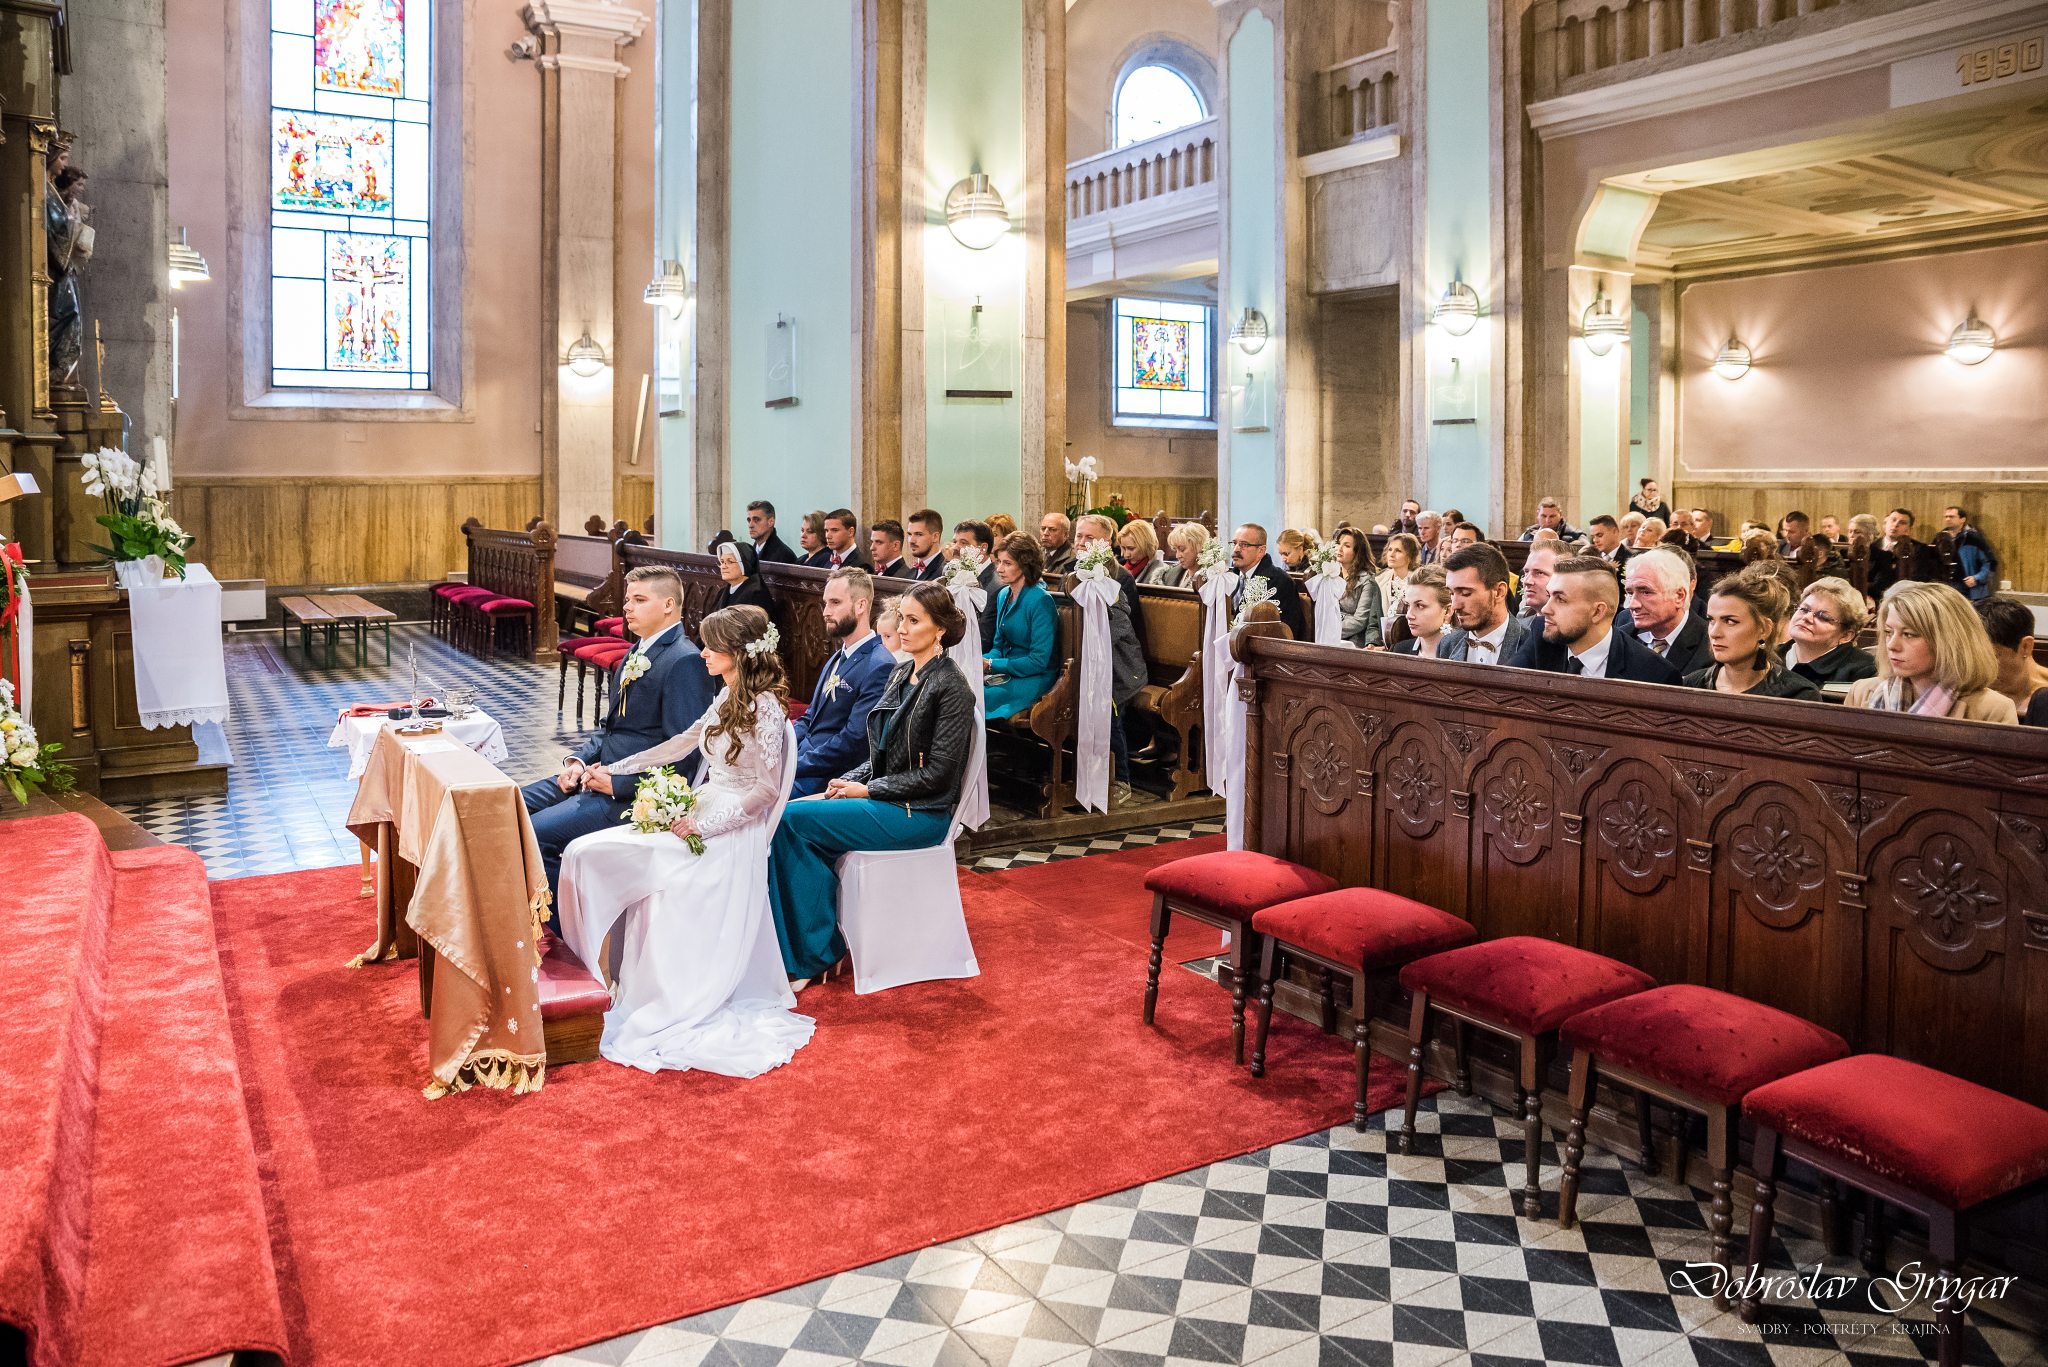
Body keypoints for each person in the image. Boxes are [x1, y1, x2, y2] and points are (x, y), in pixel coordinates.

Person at [552, 606, 813, 1076]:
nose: (705, 653)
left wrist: (705, 827)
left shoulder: (767, 708)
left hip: (731, 829)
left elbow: (766, 791)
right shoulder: (728, 693)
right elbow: (683, 742)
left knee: (617, 859)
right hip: (701, 806)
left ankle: (658, 992)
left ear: (738, 652)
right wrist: (616, 768)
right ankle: (600, 974)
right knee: (584, 851)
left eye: (713, 646)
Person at [769, 584, 979, 984]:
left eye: (914, 620)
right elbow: (878, 750)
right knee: (790, 815)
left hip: (921, 814)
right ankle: (807, 946)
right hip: (889, 801)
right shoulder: (903, 671)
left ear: (940, 631)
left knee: (792, 821)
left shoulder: (952, 688)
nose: (902, 628)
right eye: (902, 617)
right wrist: (846, 780)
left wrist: (867, 790)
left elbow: (938, 776)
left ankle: (813, 954)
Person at [522, 566, 716, 900]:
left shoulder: (684, 661)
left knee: (538, 832)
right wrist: (578, 762)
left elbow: (686, 751)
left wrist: (619, 783)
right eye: (628, 600)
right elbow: (611, 728)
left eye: (639, 600)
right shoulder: (637, 651)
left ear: (669, 605)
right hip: (595, 775)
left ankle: (559, 934)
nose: (627, 608)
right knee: (513, 805)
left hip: (629, 794)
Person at [1847, 581, 2016, 724]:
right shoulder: (1861, 693)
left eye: (1909, 634)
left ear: (1949, 641)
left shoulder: (1993, 710)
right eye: (1889, 632)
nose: (1892, 645)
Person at [790, 568, 894, 797]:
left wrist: (794, 765)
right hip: (803, 762)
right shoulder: (839, 656)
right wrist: (782, 748)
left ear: (860, 605)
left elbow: (854, 741)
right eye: (826, 603)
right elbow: (810, 718)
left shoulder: (880, 665)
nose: (826, 611)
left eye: (835, 602)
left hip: (828, 777)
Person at [1504, 556, 1680, 683]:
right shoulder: (1542, 635)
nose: (1546, 609)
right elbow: (1503, 686)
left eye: (1560, 599)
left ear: (1597, 612)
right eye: (1549, 596)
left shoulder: (1655, 674)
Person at [1073, 514, 1148, 804]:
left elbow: (1121, 627)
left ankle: (1121, 779)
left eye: (1089, 538)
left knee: (1107, 703)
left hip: (1118, 661)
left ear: (1106, 542)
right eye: (1078, 536)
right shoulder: (1074, 570)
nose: (1081, 542)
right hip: (1082, 656)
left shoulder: (1119, 576)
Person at [1684, 571, 1820, 700]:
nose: (1714, 633)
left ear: (1764, 629)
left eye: (1730, 621)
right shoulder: (1692, 685)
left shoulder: (1798, 695)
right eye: (1711, 620)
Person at [983, 532, 1059, 719]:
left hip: (1034, 676)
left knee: (976, 695)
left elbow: (1038, 661)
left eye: (1007, 563)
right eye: (998, 562)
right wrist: (979, 661)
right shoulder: (1003, 594)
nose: (999, 569)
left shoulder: (1040, 600)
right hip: (1007, 670)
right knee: (960, 684)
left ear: (1025, 565)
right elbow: (998, 647)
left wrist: (992, 665)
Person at [1620, 547, 1713, 676]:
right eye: (1630, 593)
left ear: (1679, 596)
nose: (1632, 604)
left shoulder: (1711, 645)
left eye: (1646, 592)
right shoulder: (1621, 638)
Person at [1438, 543, 1528, 664]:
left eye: (1465, 593)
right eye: (1452, 593)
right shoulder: (1447, 645)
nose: (1455, 605)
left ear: (1499, 592)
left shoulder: (1530, 646)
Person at [1781, 577, 1877, 689]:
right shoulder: (1769, 656)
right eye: (1804, 609)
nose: (1807, 617)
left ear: (1846, 635)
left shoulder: (1864, 671)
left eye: (1823, 617)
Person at [1228, 523, 1311, 639]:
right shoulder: (1228, 578)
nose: (1236, 549)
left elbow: (1283, 632)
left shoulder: (1280, 582)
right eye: (1234, 543)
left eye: (1244, 545)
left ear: (1261, 551)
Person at [1977, 597, 2048, 726]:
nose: (1978, 667)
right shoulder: (1966, 692)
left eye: (1991, 655)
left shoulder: (2043, 698)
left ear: (2026, 647)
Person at [1867, 507, 1939, 601]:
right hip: (1873, 597)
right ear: (1885, 524)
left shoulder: (1919, 549)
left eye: (1902, 522)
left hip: (1906, 598)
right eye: (1893, 520)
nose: (1896, 524)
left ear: (1909, 529)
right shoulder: (1871, 547)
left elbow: (1918, 578)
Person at [1332, 527, 1384, 649]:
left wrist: (1331, 630)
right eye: (1338, 544)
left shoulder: (1367, 581)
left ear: (1357, 552)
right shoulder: (1331, 575)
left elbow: (1359, 621)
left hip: (1354, 639)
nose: (1339, 548)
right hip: (1331, 634)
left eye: (1346, 546)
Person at [1387, 565, 1452, 657]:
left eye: (1420, 606)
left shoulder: (1461, 653)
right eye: (1408, 605)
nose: (1409, 615)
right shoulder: (1399, 650)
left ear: (1447, 611)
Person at [1942, 506, 1999, 601]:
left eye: (1951, 516)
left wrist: (1977, 578)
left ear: (1962, 519)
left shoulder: (1973, 538)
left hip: (1969, 589)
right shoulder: (1941, 537)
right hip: (1946, 587)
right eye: (1946, 516)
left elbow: (1990, 562)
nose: (1948, 519)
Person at [713, 539, 776, 617]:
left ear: (745, 565)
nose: (723, 566)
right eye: (722, 562)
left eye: (730, 561)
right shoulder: (722, 592)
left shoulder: (756, 595)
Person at [1377, 533, 1419, 618]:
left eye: (1398, 551)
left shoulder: (1417, 581)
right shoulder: (1379, 579)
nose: (1391, 554)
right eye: (1390, 550)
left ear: (1410, 556)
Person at [1518, 541, 1561, 623]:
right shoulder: (1517, 631)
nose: (1527, 581)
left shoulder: (1582, 633)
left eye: (1539, 573)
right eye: (1526, 572)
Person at [746, 499, 800, 564]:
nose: (750, 525)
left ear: (770, 522)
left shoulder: (784, 556)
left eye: (756, 520)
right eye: (749, 520)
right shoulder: (749, 553)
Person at [1119, 518, 1172, 584]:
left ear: (1146, 546)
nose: (1126, 555)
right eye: (1123, 548)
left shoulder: (1162, 574)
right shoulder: (1120, 568)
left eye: (1131, 548)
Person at [902, 508, 948, 581]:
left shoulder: (946, 572)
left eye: (919, 534)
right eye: (910, 534)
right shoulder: (908, 574)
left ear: (935, 537)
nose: (911, 541)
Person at [1161, 521, 1209, 587]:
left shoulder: (1211, 579)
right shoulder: (1169, 575)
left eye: (1182, 549)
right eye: (1175, 550)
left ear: (1198, 547)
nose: (1177, 556)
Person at [1038, 511, 1077, 576]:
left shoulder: (1073, 560)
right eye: (1043, 528)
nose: (1045, 533)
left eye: (1052, 529)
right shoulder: (1035, 553)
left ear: (1065, 534)